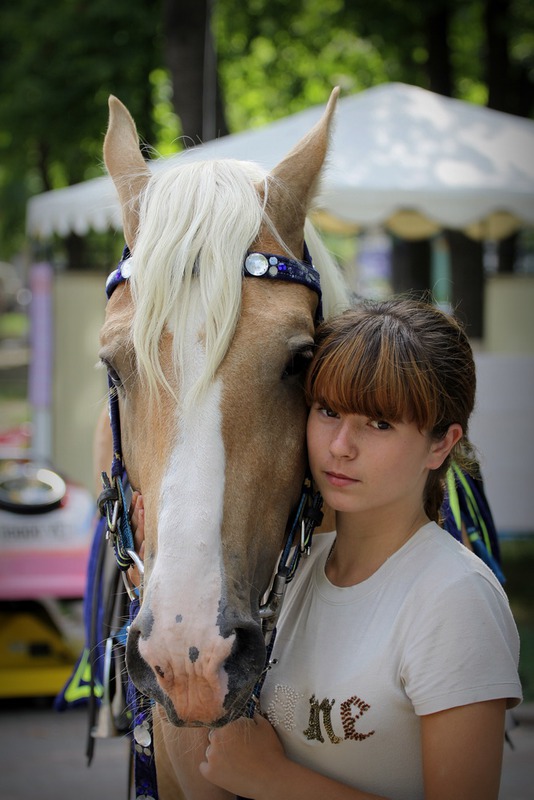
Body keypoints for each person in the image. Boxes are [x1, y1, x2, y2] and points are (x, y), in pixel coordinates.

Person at [132, 298, 522, 800]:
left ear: (441, 444)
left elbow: (256, 772)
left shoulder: (454, 599)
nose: (341, 445)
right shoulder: (292, 574)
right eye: (328, 411)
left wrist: (277, 781)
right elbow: (220, 764)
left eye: (379, 424)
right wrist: (156, 587)